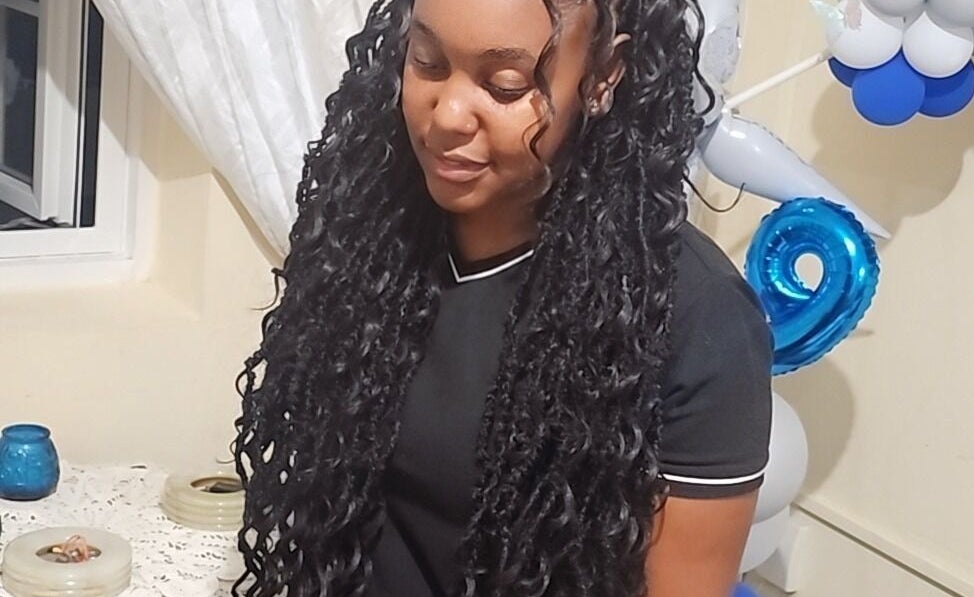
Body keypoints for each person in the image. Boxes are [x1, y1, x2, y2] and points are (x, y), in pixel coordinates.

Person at [231, 0, 773, 595]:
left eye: (505, 86)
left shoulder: (698, 320)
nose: (448, 116)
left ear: (602, 79)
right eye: (428, 62)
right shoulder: (368, 236)